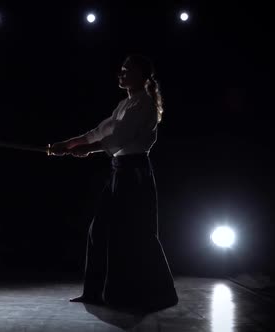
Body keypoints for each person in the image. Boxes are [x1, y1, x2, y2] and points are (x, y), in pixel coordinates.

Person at [49, 54, 178, 311]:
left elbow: (119, 139)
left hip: (135, 174)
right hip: (120, 172)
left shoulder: (145, 106)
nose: (120, 74)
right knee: (99, 231)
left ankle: (146, 294)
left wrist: (87, 150)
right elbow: (99, 131)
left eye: (126, 70)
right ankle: (95, 292)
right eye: (121, 70)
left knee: (134, 235)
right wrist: (68, 144)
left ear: (142, 75)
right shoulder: (123, 105)